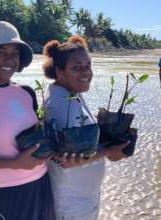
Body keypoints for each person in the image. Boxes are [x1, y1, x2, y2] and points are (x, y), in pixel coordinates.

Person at [43, 36, 130, 220]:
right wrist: (109, 150)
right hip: (71, 202)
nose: (86, 72)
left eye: (88, 65)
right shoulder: (60, 104)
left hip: (83, 196)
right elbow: (66, 160)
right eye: (76, 67)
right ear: (59, 72)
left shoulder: (72, 93)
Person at [0, 21, 55, 220]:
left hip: (41, 184)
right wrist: (15, 162)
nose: (10, 59)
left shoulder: (26, 92)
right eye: (1, 52)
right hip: (2, 193)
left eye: (15, 53)